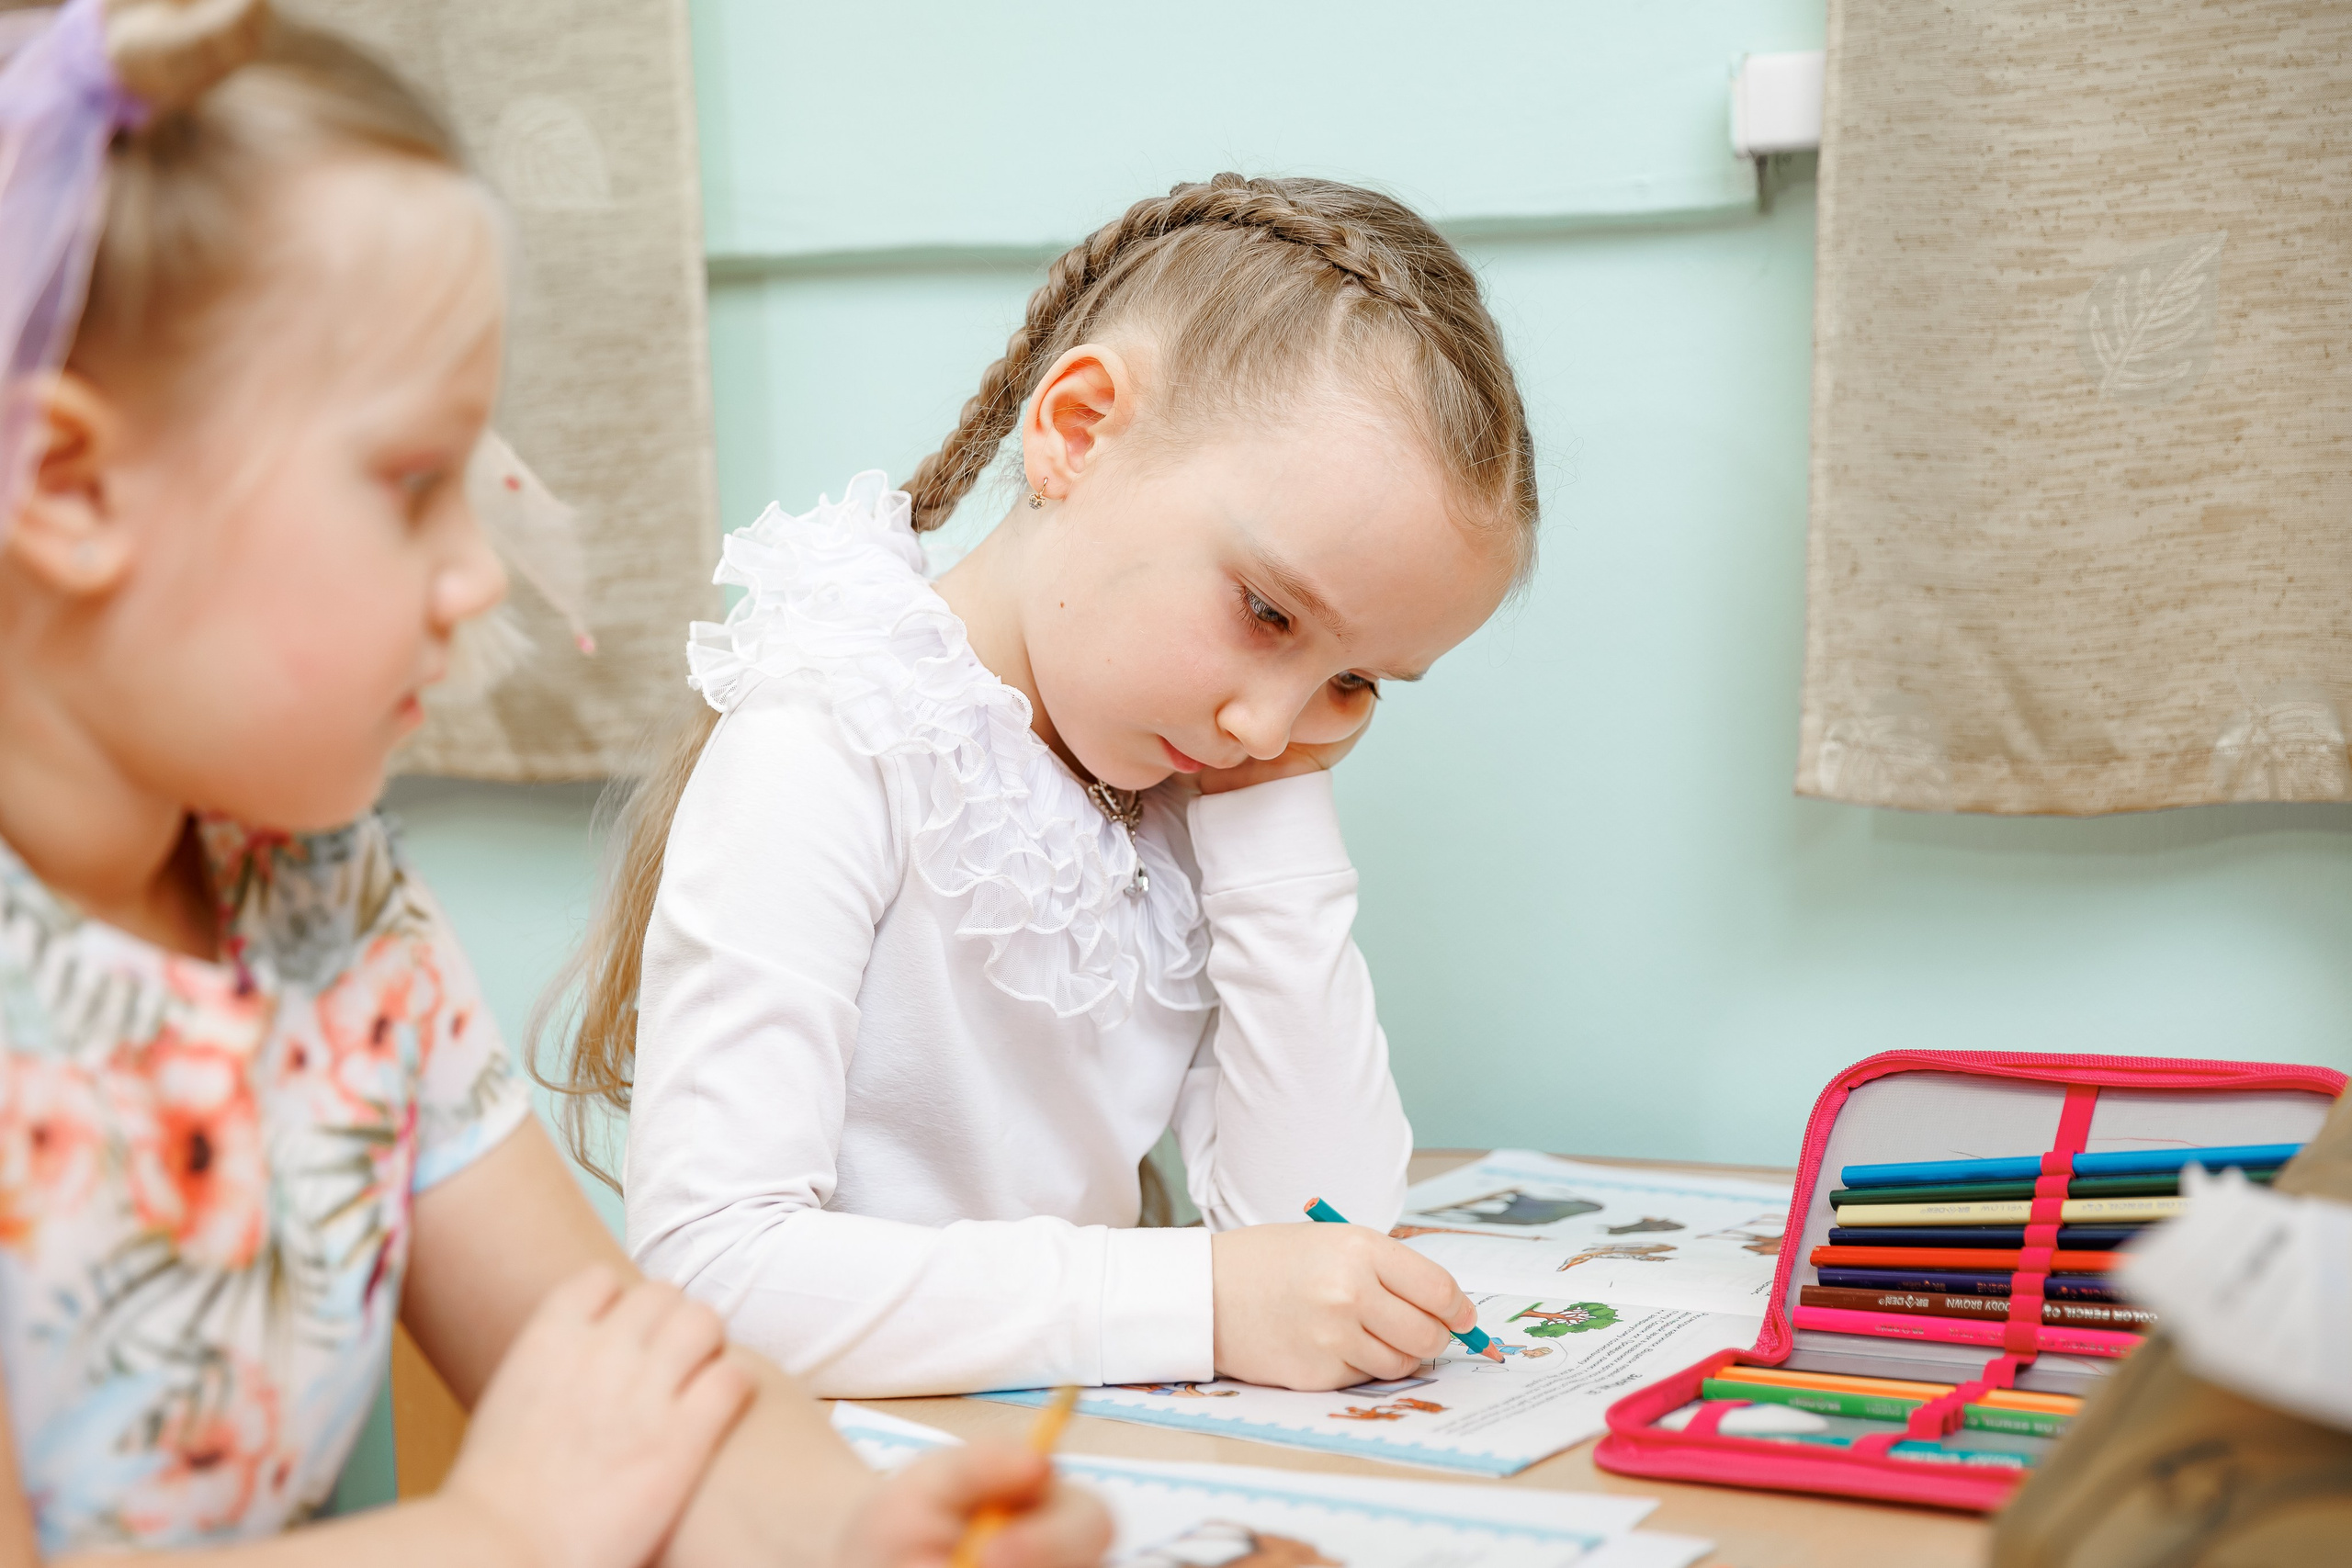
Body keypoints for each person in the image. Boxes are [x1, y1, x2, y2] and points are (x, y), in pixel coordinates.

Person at [0, 3, 1110, 1562]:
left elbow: (624, 1374)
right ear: (69, 487)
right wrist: (507, 1530)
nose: (476, 577)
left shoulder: (334, 906)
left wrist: (861, 1532)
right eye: (410, 483)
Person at [548, 172, 1540, 1397]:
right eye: (1269, 612)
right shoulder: (831, 740)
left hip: (1067, 1457)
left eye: (1358, 683)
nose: (1267, 723)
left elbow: (1321, 1222)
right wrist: (1205, 1301)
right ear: (1075, 431)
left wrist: (1268, 820)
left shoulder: (1182, 769)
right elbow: (716, 1278)